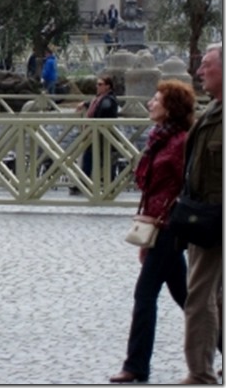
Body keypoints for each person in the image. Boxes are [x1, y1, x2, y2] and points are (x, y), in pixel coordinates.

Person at [109, 80, 194, 384]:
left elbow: (188, 186)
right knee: (186, 297)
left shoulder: (182, 141)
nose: (150, 103)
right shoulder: (158, 138)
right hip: (155, 226)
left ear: (170, 107)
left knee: (145, 295)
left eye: (156, 99)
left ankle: (136, 366)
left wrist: (168, 219)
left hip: (169, 227)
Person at [178, 43, 223, 385]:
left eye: (206, 65)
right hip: (203, 219)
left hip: (213, 218)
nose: (199, 72)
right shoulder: (212, 111)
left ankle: (200, 373)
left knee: (200, 297)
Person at [72, 73, 118, 195]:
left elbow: (102, 109)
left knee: (104, 159)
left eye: (100, 84)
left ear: (108, 86)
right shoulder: (100, 98)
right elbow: (95, 104)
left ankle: (108, 184)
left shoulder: (109, 100)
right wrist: (85, 104)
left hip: (103, 135)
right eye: (97, 84)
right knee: (90, 158)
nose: (97, 87)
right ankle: (84, 183)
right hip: (95, 134)